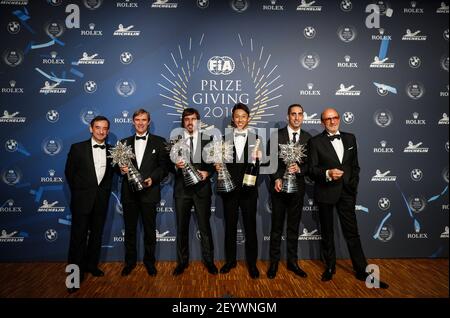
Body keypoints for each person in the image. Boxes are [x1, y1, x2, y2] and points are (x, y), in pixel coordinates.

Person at [308, 108, 388, 288]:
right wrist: (328, 173)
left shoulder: (350, 138)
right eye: (327, 119)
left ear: (340, 119)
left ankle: (362, 271)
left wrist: (352, 185)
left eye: (335, 117)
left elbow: (355, 167)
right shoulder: (315, 142)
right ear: (322, 122)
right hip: (326, 192)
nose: (332, 121)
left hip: (346, 193)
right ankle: (330, 268)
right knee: (327, 233)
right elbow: (311, 169)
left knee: (352, 233)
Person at [65, 116, 114, 293]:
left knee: (96, 236)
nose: (101, 131)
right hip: (82, 201)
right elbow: (69, 174)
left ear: (108, 131)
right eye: (98, 127)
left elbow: (113, 174)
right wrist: (81, 193)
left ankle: (91, 266)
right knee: (77, 239)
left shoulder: (112, 150)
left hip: (101, 201)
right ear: (90, 128)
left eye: (105, 128)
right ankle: (73, 277)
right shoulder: (77, 148)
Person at [119, 109, 168, 277]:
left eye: (144, 120)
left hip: (149, 192)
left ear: (149, 121)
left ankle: (149, 262)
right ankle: (129, 263)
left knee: (149, 230)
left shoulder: (160, 142)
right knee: (130, 230)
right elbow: (116, 168)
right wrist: (121, 169)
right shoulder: (123, 143)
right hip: (129, 194)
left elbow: (164, 168)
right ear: (133, 122)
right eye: (137, 120)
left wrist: (152, 179)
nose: (140, 123)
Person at [216, 103, 263, 279]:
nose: (240, 119)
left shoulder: (257, 139)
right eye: (237, 116)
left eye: (243, 116)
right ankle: (230, 261)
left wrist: (260, 158)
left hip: (249, 192)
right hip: (230, 191)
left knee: (250, 228)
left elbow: (262, 166)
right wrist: (217, 164)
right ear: (233, 119)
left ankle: (252, 264)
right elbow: (219, 164)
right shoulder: (223, 139)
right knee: (230, 227)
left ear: (248, 118)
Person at [170, 108, 218, 276]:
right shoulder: (176, 141)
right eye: (187, 119)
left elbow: (214, 164)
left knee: (205, 228)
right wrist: (176, 165)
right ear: (183, 122)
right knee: (182, 228)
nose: (190, 122)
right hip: (182, 191)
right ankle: (182, 262)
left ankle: (209, 261)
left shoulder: (208, 140)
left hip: (202, 190)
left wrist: (208, 172)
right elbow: (168, 165)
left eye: (193, 119)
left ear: (198, 121)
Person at [266, 104, 311, 279]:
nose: (297, 117)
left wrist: (300, 169)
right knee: (276, 228)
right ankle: (274, 264)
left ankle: (293, 263)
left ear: (303, 117)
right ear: (288, 117)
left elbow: (310, 165)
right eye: (293, 114)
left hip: (298, 189)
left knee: (293, 227)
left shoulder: (308, 138)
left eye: (300, 114)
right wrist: (277, 178)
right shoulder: (277, 136)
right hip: (279, 189)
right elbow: (271, 162)